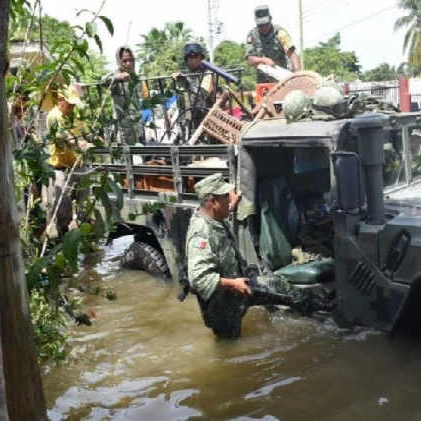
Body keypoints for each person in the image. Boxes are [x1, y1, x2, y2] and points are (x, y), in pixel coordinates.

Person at [185, 173, 335, 338]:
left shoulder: (214, 215)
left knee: (281, 287)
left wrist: (233, 203)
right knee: (229, 344)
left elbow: (224, 209)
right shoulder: (200, 233)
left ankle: (323, 307)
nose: (229, 201)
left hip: (242, 284)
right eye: (225, 197)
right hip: (222, 302)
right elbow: (199, 279)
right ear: (213, 202)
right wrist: (234, 284)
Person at [43, 84, 96, 236]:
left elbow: (88, 134)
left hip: (78, 165)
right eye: (70, 103)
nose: (72, 106)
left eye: (74, 103)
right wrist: (82, 144)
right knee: (62, 206)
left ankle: (85, 230)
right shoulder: (53, 116)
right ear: (60, 99)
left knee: (85, 203)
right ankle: (62, 235)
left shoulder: (76, 118)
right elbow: (63, 139)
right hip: (60, 168)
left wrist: (96, 140)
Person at [101, 46, 149, 145]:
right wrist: (117, 78)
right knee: (125, 156)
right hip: (122, 128)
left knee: (141, 155)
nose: (128, 63)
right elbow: (103, 81)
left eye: (130, 60)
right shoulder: (116, 76)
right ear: (119, 62)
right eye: (124, 61)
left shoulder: (137, 79)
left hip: (137, 127)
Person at [245, 5, 301, 83]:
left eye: (266, 24)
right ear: (255, 21)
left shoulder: (280, 33)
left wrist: (297, 71)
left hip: (281, 80)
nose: (264, 28)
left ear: (270, 19)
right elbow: (250, 59)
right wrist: (263, 60)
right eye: (260, 25)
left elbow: (291, 53)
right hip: (263, 83)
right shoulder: (252, 35)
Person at [171, 42, 215, 132]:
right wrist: (170, 113)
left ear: (201, 58)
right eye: (191, 57)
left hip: (206, 121)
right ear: (186, 59)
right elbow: (182, 97)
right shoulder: (187, 75)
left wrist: (185, 83)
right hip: (188, 120)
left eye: (196, 57)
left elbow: (201, 96)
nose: (194, 60)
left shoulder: (208, 74)